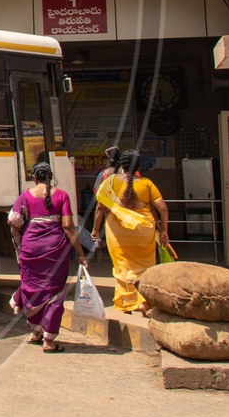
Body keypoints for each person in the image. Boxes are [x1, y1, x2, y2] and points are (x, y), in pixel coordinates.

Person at [9, 159, 86, 352]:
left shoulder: (25, 196)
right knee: (54, 293)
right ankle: (48, 340)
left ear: (34, 178)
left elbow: (13, 220)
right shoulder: (62, 196)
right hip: (56, 251)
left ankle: (35, 331)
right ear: (50, 178)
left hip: (30, 249)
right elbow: (68, 226)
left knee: (30, 288)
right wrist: (81, 254)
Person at [91, 149, 175, 312]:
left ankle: (127, 302)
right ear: (138, 165)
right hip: (144, 231)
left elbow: (100, 207)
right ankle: (144, 301)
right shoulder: (146, 183)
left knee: (123, 266)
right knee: (145, 268)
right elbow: (162, 208)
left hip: (118, 232)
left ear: (121, 164)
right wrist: (164, 230)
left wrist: (95, 230)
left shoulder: (110, 182)